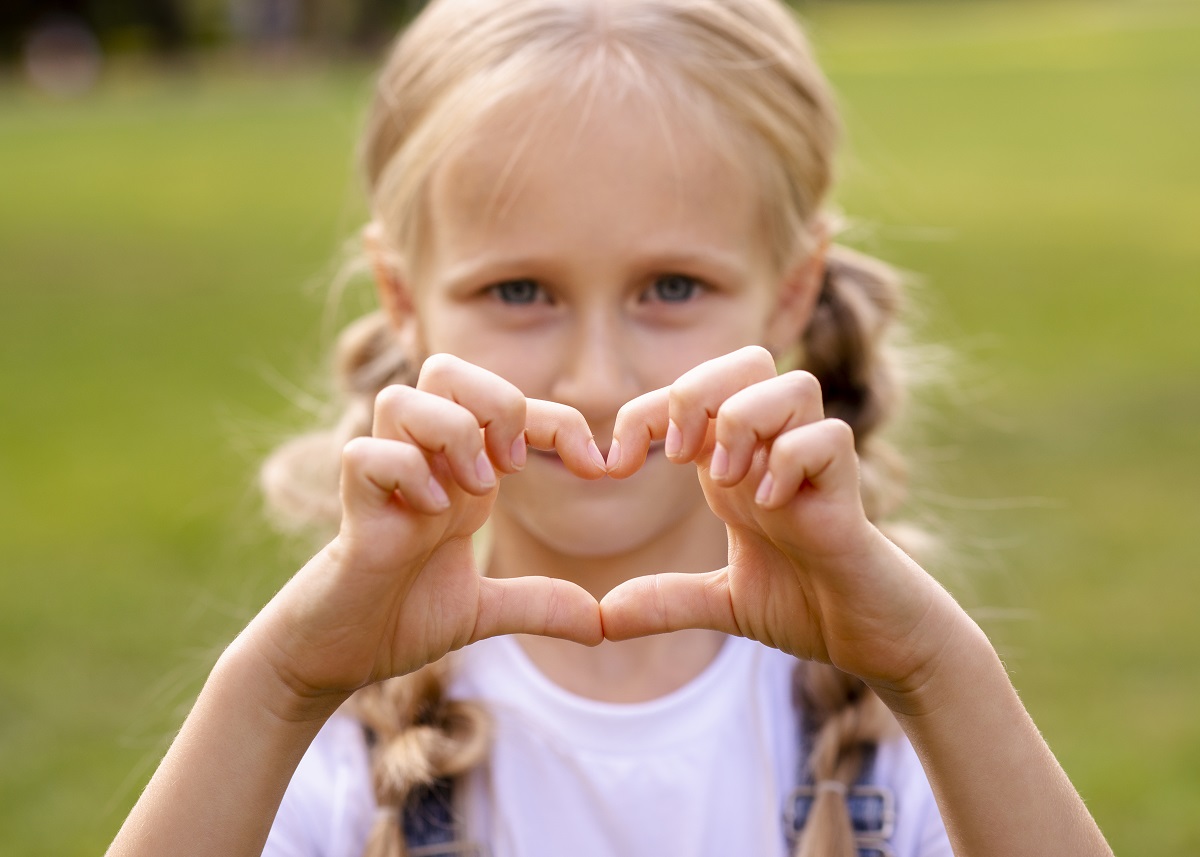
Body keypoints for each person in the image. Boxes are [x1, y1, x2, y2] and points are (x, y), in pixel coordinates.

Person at [106, 1, 1115, 855]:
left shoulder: (902, 724)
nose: (596, 380)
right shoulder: (327, 738)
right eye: (520, 290)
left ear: (790, 294)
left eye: (671, 287)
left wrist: (938, 670)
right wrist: (278, 682)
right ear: (405, 302)